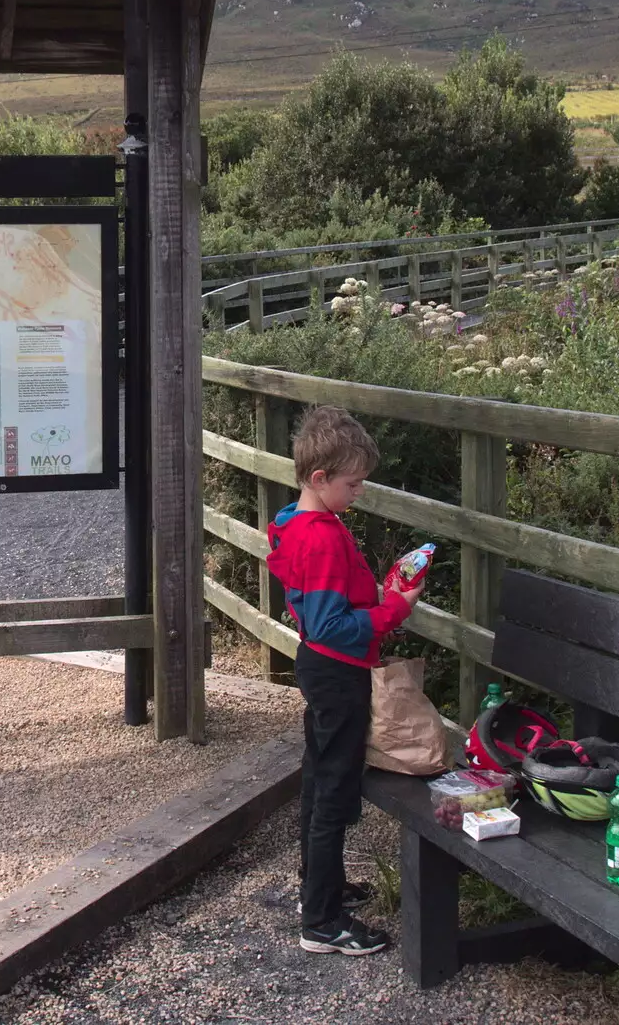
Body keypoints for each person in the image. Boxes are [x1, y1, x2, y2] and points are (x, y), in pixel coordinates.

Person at [266, 406, 422, 956]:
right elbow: (335, 623)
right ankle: (322, 923)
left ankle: (318, 887)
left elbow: (317, 601)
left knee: (318, 773)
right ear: (320, 478)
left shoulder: (296, 522)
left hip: (317, 663)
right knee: (335, 786)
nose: (359, 492)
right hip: (339, 670)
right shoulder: (325, 539)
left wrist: (375, 593)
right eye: (353, 483)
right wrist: (394, 610)